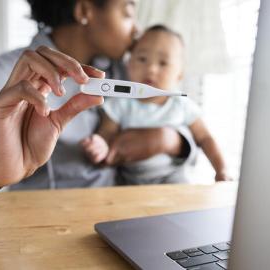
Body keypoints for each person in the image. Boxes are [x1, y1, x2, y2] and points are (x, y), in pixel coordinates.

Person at [0, 1, 197, 214]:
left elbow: (174, 115)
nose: (137, 32)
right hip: (45, 222)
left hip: (121, 212)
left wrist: (171, 140)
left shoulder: (124, 70)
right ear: (85, 11)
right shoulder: (7, 74)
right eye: (128, 13)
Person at [81, 25, 230, 185]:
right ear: (129, 64)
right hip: (129, 181)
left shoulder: (181, 105)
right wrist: (100, 145)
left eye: (163, 63)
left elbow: (205, 138)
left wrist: (221, 170)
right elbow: (106, 134)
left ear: (179, 74)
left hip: (173, 177)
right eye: (142, 59)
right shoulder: (120, 103)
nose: (151, 69)